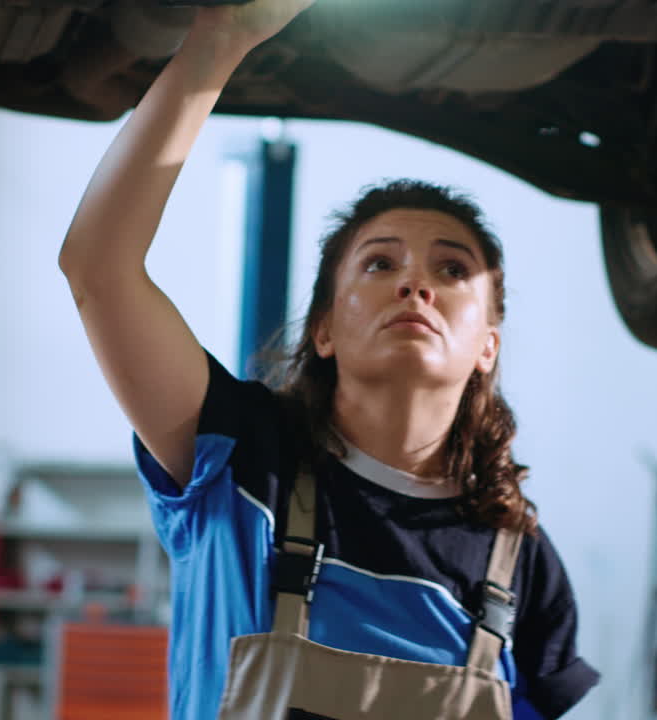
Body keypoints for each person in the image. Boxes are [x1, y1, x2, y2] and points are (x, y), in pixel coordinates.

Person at [58, 1, 599, 717]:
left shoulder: (518, 556)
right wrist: (220, 41)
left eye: (452, 270)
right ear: (324, 331)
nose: (415, 283)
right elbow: (100, 267)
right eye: (379, 264)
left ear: (487, 348)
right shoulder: (239, 455)